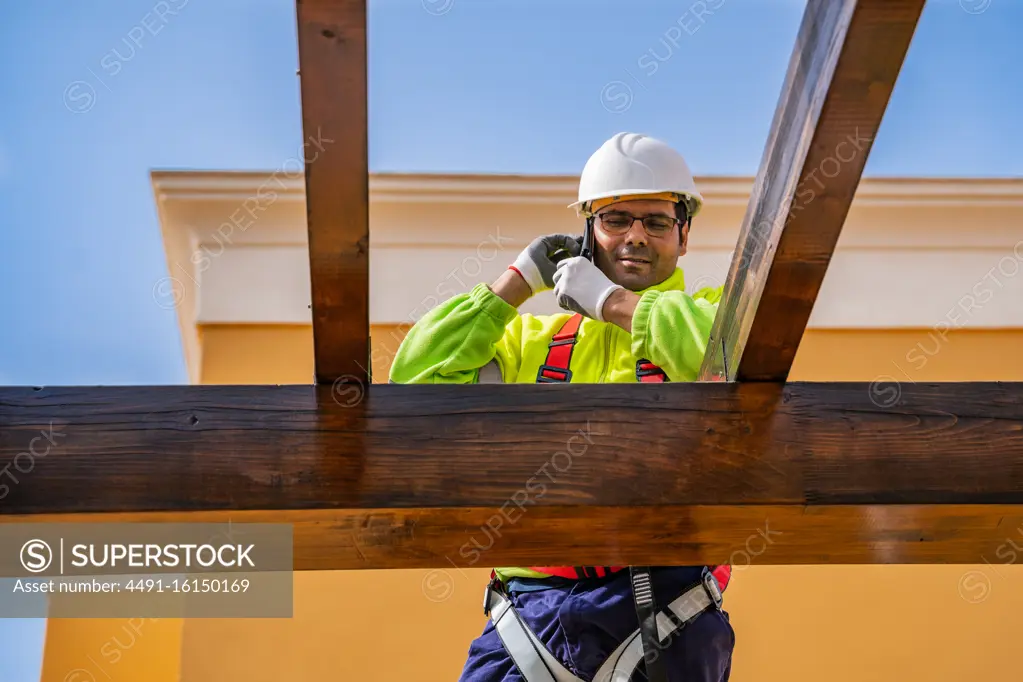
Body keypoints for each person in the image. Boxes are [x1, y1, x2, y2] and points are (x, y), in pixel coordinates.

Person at [389, 132, 734, 682]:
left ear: (684, 235)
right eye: (616, 219)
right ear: (588, 233)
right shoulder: (533, 342)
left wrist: (612, 302)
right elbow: (413, 384)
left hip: (669, 607)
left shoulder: (713, 315)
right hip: (530, 614)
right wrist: (516, 282)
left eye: (657, 221)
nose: (636, 236)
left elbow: (723, 364)